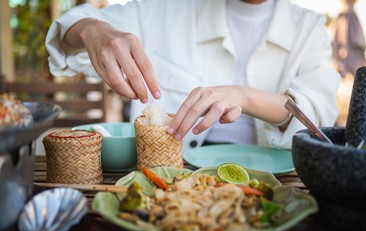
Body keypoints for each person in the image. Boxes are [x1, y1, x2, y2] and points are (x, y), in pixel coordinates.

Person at [46, 0, 340, 151]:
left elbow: (318, 118)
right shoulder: (166, 9)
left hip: (279, 186)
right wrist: (90, 30)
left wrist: (243, 95)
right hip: (171, 182)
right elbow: (69, 35)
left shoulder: (308, 28)